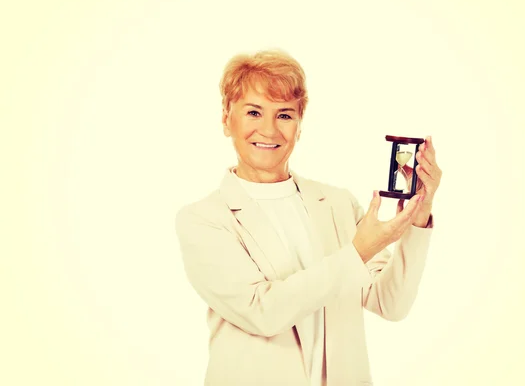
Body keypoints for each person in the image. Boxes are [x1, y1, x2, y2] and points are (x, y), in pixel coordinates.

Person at [174, 49, 442, 386]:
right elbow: (263, 312)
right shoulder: (203, 219)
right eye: (254, 112)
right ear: (227, 119)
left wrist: (421, 211)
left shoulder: (337, 203)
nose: (269, 130)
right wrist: (358, 251)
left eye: (285, 115)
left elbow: (390, 303)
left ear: (300, 125)